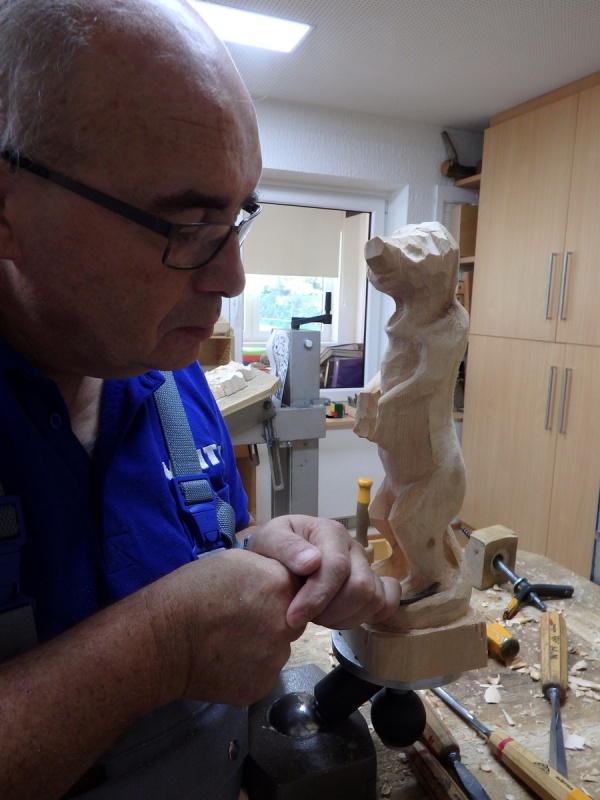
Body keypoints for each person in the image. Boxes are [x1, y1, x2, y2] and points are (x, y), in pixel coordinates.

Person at [0, 1, 401, 798]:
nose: (232, 280)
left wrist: (269, 549)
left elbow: (197, 543)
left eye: (237, 215)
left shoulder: (168, 369)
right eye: (186, 222)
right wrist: (158, 649)